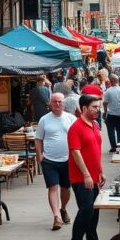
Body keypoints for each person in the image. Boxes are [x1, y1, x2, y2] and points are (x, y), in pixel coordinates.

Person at [67, 95, 107, 240]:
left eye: (98, 107)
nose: (98, 110)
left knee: (94, 210)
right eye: (94, 107)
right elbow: (75, 152)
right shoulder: (75, 128)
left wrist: (101, 171)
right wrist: (87, 175)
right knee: (86, 210)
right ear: (84, 108)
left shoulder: (95, 125)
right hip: (81, 177)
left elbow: (97, 149)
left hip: (94, 176)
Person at [35, 93, 76, 231]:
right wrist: (40, 155)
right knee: (53, 187)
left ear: (63, 103)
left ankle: (63, 209)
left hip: (68, 159)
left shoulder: (71, 118)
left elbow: (78, 136)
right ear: (50, 104)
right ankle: (57, 217)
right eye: (54, 101)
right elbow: (38, 139)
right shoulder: (44, 120)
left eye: (59, 101)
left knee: (66, 188)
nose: (57, 104)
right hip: (49, 160)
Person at [102, 75, 120, 152]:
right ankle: (119, 146)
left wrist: (105, 113)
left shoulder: (108, 91)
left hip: (111, 114)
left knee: (110, 131)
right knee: (119, 131)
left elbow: (105, 103)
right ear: (117, 81)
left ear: (111, 81)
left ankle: (113, 147)